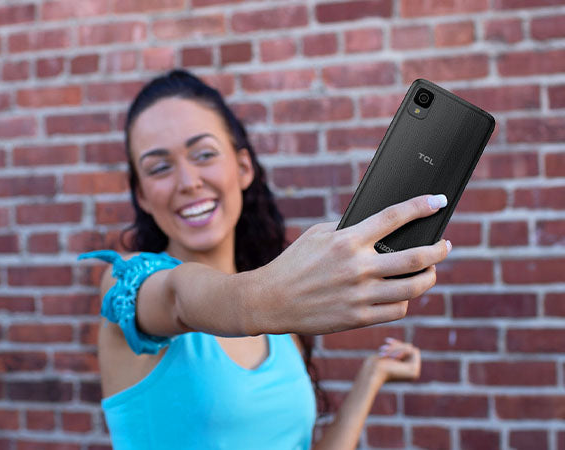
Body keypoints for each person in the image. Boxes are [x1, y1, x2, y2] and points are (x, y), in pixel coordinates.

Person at [78, 69, 452, 449]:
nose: (188, 181)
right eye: (159, 167)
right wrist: (269, 296)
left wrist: (372, 376)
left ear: (243, 168)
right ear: (142, 195)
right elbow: (178, 298)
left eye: (204, 154)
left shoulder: (279, 318)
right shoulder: (127, 289)